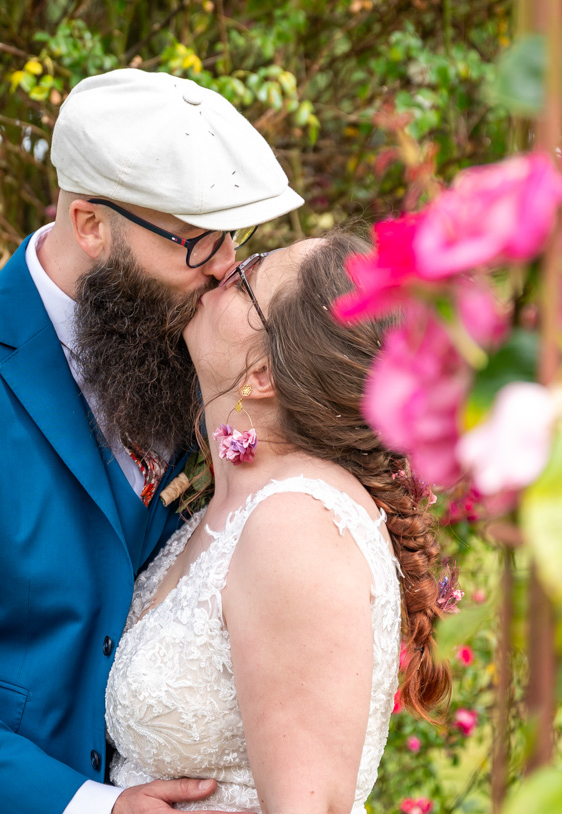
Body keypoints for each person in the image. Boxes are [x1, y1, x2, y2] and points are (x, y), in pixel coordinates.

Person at [0, 68, 304, 814]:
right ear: (90, 225)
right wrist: (91, 806)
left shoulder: (187, 350)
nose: (223, 268)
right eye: (195, 242)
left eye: (232, 239)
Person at [104, 232, 453, 813]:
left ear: (262, 373)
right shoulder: (228, 506)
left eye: (248, 277)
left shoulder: (296, 526)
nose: (225, 266)